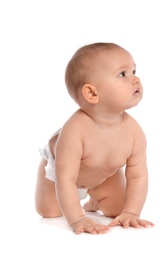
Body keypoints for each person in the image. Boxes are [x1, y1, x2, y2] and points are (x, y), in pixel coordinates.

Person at [35, 42, 154, 234]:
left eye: (133, 71)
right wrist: (78, 220)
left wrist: (131, 212)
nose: (136, 79)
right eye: (123, 74)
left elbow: (138, 175)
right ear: (92, 93)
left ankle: (93, 200)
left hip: (102, 175)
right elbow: (65, 178)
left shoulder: (134, 132)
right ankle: (80, 206)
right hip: (60, 174)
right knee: (49, 212)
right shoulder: (75, 131)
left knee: (118, 210)